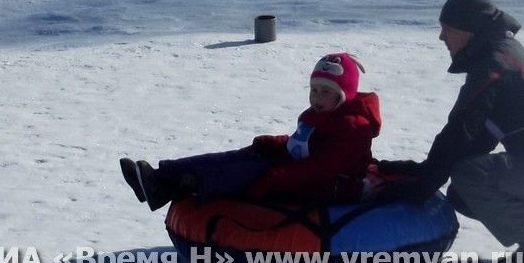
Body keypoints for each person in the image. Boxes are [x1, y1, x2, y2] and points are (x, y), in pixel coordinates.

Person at [377, 0, 524, 263]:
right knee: (463, 192)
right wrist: (421, 172)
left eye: (446, 29)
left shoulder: (494, 65)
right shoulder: (500, 54)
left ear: (468, 28)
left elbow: (460, 132)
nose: (441, 37)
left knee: (471, 178)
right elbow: (474, 139)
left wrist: (422, 184)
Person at [120, 52, 381, 211]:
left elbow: (321, 167)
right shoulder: (319, 115)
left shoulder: (353, 128)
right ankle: (159, 178)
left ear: (344, 95)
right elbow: (301, 145)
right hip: (299, 170)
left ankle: (191, 184)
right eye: (314, 90)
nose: (317, 97)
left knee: (252, 171)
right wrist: (274, 143)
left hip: (331, 187)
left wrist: (275, 177)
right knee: (238, 155)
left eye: (326, 92)